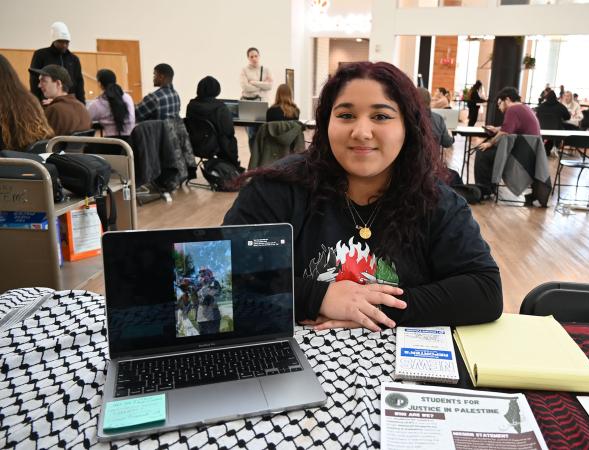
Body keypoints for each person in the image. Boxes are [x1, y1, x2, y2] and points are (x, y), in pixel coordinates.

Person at [223, 61, 502, 331]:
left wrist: (376, 309)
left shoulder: (435, 200)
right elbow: (225, 271)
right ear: (325, 123)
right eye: (345, 115)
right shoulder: (276, 189)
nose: (361, 132)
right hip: (290, 355)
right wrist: (318, 296)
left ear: (408, 126)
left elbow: (484, 290)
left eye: (381, 116)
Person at [475, 87, 541, 197]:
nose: (499, 107)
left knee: (482, 152)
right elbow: (511, 127)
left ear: (507, 99)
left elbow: (505, 133)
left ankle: (484, 190)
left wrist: (490, 143)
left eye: (499, 103)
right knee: (488, 152)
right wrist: (497, 129)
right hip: (529, 152)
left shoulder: (512, 109)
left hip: (519, 155)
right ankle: (489, 188)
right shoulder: (524, 107)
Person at [0, 54, 54, 150]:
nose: (39, 85)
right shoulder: (30, 100)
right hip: (29, 160)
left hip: (9, 161)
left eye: (44, 81)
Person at [186, 76, 240, 167]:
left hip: (194, 145)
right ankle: (231, 168)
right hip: (214, 147)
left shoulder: (191, 105)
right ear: (217, 90)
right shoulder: (220, 108)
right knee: (229, 139)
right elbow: (228, 131)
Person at [29, 22, 85, 104]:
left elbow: (79, 83)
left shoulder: (74, 59)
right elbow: (34, 81)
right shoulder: (41, 55)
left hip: (70, 102)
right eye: (61, 42)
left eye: (67, 42)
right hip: (45, 102)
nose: (64, 45)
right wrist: (37, 102)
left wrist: (81, 103)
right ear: (54, 41)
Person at [31, 64, 91, 136]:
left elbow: (39, 140)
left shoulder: (54, 110)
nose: (39, 85)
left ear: (58, 83)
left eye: (43, 81)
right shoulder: (81, 107)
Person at [87, 69, 135, 138]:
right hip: (130, 143)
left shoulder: (98, 103)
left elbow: (85, 121)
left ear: (100, 84)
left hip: (111, 144)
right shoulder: (128, 98)